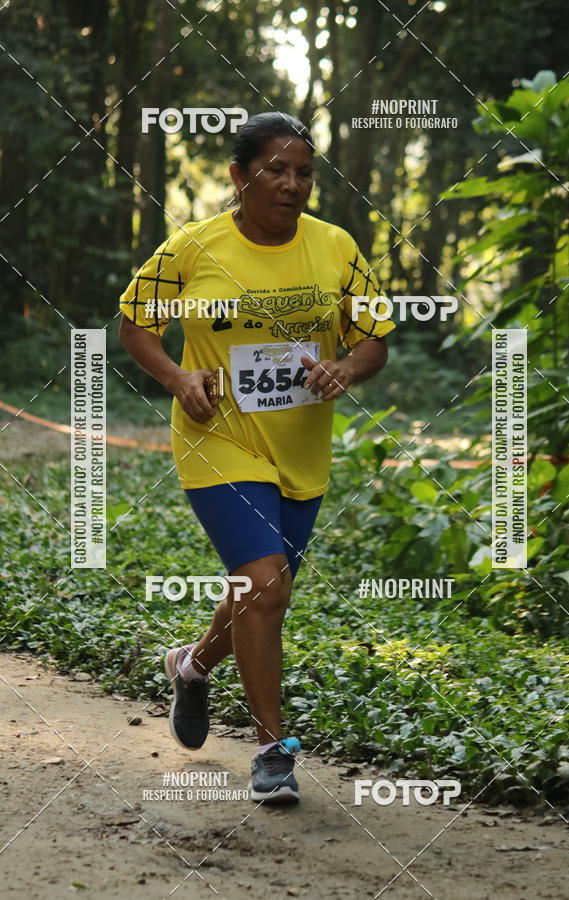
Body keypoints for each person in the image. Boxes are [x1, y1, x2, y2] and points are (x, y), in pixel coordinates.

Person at [118, 111, 395, 803]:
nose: (293, 183)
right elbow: (135, 325)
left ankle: (192, 666)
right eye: (276, 169)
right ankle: (273, 750)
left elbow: (374, 341)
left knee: (259, 593)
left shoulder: (336, 247)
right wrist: (180, 379)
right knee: (266, 584)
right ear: (240, 177)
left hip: (301, 448)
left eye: (303, 172)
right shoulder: (190, 248)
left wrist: (346, 369)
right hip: (219, 438)